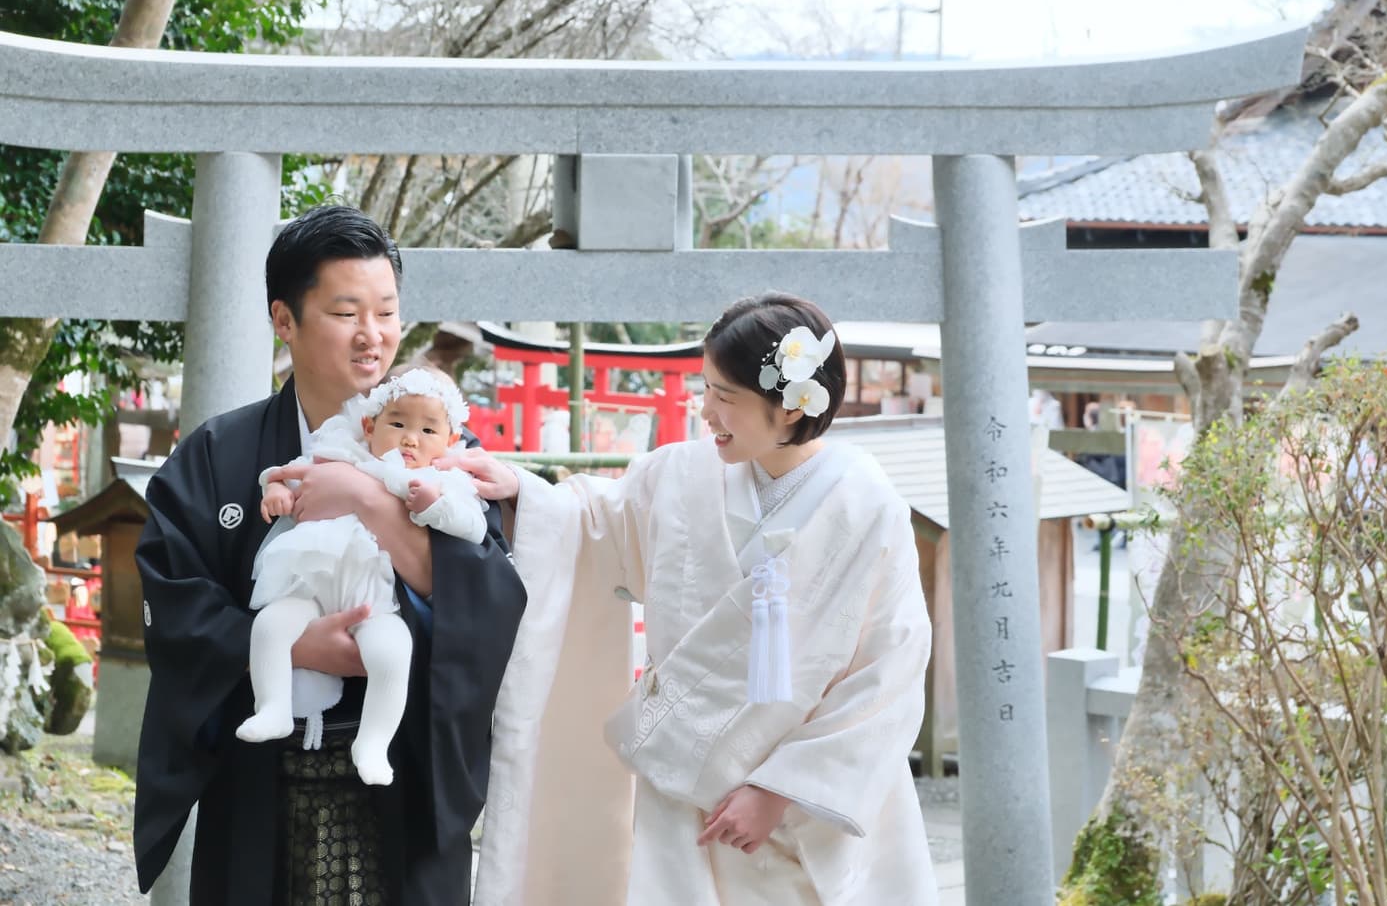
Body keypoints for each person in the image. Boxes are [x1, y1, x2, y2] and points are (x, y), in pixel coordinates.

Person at [461, 294, 937, 905]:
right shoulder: (682, 473)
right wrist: (523, 493)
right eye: (705, 388)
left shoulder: (867, 506)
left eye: (726, 397)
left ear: (791, 406)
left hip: (799, 802)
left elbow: (890, 671)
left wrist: (777, 790)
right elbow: (598, 525)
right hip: (682, 778)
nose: (706, 410)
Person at [132, 204, 527, 905]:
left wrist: (369, 501)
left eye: (386, 311)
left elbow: (490, 604)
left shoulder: (444, 456)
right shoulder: (218, 454)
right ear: (284, 320)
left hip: (402, 778)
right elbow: (175, 603)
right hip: (261, 783)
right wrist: (297, 647)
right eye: (347, 312)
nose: (372, 336)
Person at [240, 367, 493, 787]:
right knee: (269, 625)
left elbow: (473, 528)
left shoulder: (443, 481)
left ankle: (373, 742)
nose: (410, 439)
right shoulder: (344, 455)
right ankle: (272, 706)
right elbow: (286, 471)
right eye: (397, 424)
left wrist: (431, 506)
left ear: (451, 441)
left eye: (428, 430)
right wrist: (276, 490)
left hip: (374, 599)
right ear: (369, 426)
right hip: (311, 581)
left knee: (393, 653)